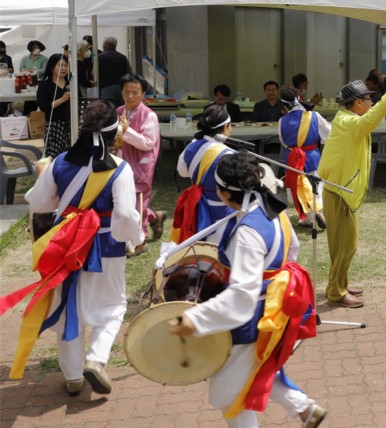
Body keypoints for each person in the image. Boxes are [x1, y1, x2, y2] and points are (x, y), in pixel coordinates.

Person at [168, 152, 326, 428]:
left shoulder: (248, 232)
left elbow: (242, 295)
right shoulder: (272, 210)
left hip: (251, 319)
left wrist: (196, 318)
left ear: (226, 193)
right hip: (273, 310)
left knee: (231, 394)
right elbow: (290, 254)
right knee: (255, 370)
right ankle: (304, 409)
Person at [4, 100, 141, 395]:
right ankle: (96, 358)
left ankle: (73, 376)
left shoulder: (61, 161)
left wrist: (46, 177)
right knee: (113, 305)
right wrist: (133, 238)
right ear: (113, 133)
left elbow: (39, 203)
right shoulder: (120, 169)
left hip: (66, 245)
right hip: (106, 246)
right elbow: (127, 216)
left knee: (69, 308)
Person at [319, 72, 386, 308]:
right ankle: (336, 292)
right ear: (358, 103)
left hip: (341, 191)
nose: (372, 103)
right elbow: (372, 119)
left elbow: (370, 119)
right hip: (339, 192)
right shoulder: (349, 122)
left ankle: (339, 285)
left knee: (343, 244)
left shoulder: (347, 119)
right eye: (369, 99)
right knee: (345, 245)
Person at [173, 103, 235, 244]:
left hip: (197, 210)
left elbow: (182, 172)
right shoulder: (228, 154)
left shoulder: (192, 146)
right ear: (225, 127)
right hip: (223, 214)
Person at [115, 73, 163, 245]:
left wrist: (127, 131)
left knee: (138, 201)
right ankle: (155, 217)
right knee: (122, 200)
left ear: (143, 94)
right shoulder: (119, 111)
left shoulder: (149, 115)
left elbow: (148, 143)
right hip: (120, 161)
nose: (130, 96)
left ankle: (139, 239)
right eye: (126, 91)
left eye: (135, 92)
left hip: (140, 164)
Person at [279, 87, 332, 227]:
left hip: (292, 158)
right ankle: (318, 210)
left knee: (299, 186)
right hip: (312, 156)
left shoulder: (282, 121)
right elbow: (329, 133)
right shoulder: (313, 116)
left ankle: (309, 217)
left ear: (284, 105)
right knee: (316, 185)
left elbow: (284, 142)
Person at [36, 53, 72, 158]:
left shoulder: (72, 84)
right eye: (60, 65)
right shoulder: (44, 86)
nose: (64, 68)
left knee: (71, 156)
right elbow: (44, 107)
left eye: (66, 65)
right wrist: (62, 99)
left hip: (71, 124)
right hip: (54, 126)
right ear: (52, 67)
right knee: (54, 157)